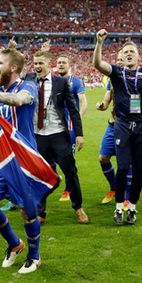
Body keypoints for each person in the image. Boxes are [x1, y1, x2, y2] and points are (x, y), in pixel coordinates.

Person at [0, 47, 44, 274]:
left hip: (23, 159)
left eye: (0, 63)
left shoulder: (28, 86)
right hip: (1, 159)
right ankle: (14, 243)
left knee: (26, 212)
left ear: (13, 67)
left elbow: (19, 101)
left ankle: (34, 257)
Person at [94, 31, 142, 225]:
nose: (129, 54)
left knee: (138, 169)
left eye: (132, 51)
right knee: (122, 167)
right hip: (121, 125)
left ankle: (133, 207)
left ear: (139, 56)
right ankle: (119, 207)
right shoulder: (117, 72)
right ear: (122, 55)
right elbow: (97, 64)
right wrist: (99, 43)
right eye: (125, 51)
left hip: (141, 126)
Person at [27, 50, 88, 224]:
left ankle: (78, 207)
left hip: (58, 134)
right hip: (37, 136)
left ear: (48, 63)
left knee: (70, 171)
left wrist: (79, 134)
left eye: (41, 63)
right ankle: (40, 212)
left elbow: (74, 111)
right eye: (35, 63)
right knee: (40, 174)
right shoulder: (28, 80)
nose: (38, 66)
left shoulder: (60, 82)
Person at [95, 52, 133, 206]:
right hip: (113, 125)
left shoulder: (133, 80)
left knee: (127, 163)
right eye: (117, 60)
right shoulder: (112, 80)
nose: (118, 62)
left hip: (128, 126)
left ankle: (127, 196)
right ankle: (114, 188)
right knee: (103, 158)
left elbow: (136, 105)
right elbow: (107, 98)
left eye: (121, 59)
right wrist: (102, 105)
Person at [55, 53, 88, 201]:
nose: (61, 64)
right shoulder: (53, 81)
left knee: (68, 160)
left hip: (70, 128)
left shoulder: (75, 81)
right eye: (59, 62)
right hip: (54, 127)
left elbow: (83, 102)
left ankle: (68, 190)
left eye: (64, 62)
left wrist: (77, 121)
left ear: (69, 65)